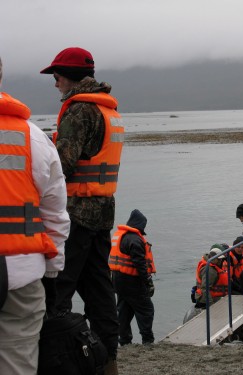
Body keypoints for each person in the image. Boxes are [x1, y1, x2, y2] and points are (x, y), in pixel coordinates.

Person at [40, 47, 124, 375]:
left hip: (75, 213)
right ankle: (108, 362)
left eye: (56, 76)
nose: (55, 83)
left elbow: (63, 165)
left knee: (58, 291)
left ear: (68, 76)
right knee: (100, 291)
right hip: (103, 212)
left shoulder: (78, 109)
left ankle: (58, 361)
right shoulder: (108, 110)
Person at [0, 57, 70, 375]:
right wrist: (53, 272)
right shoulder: (32, 136)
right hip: (22, 273)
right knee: (18, 360)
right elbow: (55, 213)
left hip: (21, 273)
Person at [109, 209, 156, 346]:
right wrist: (148, 281)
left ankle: (124, 341)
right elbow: (139, 264)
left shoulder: (120, 236)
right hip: (132, 281)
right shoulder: (135, 240)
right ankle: (147, 340)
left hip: (117, 280)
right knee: (146, 309)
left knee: (124, 310)